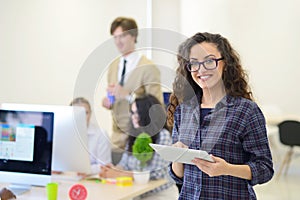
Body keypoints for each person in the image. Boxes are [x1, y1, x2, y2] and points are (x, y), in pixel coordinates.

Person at [167, 32, 274, 199]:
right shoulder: (183, 111)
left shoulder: (246, 110)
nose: (201, 69)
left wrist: (227, 169)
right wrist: (177, 157)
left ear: (225, 63)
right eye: (194, 63)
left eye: (209, 61)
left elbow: (265, 169)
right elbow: (177, 176)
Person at [102, 17, 163, 164]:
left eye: (123, 35)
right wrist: (108, 101)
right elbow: (114, 95)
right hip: (116, 137)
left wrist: (129, 96)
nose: (118, 41)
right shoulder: (114, 66)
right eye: (115, 37)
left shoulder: (148, 67)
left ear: (134, 36)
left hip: (138, 138)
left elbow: (156, 106)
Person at [100, 95, 178, 200]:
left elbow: (156, 173)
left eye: (138, 113)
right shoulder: (133, 136)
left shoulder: (162, 135)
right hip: (137, 194)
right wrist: (113, 169)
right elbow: (124, 164)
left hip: (159, 195)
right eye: (132, 113)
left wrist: (119, 174)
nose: (134, 117)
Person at [70, 97, 111, 174]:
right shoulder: (64, 133)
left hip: (92, 179)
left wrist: (85, 170)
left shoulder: (101, 134)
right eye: (77, 113)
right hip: (67, 177)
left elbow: (104, 166)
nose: (82, 117)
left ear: (90, 113)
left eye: (86, 113)